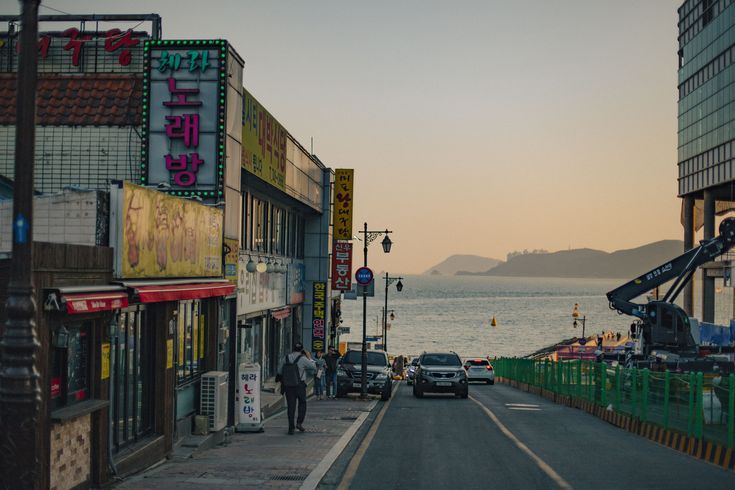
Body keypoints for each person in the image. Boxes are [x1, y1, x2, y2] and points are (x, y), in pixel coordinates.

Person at [277, 342, 316, 435]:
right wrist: (309, 358)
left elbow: (279, 371)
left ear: (292, 349)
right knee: (302, 403)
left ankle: (291, 427)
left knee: (291, 406)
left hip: (288, 386)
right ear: (301, 350)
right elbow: (313, 367)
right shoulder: (303, 359)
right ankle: (299, 423)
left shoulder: (286, 358)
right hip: (300, 385)